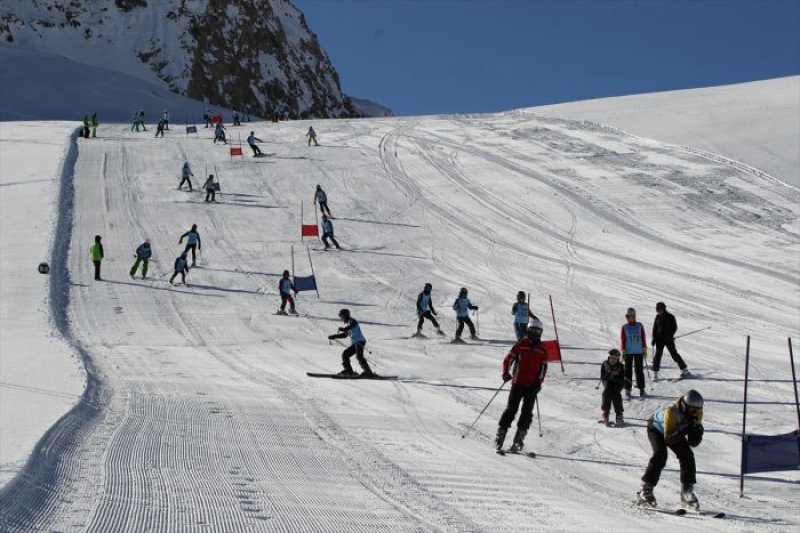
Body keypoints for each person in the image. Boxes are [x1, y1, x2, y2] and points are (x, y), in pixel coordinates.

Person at [637, 390, 705, 509]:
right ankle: (645, 489)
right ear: (684, 405)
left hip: (675, 432)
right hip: (656, 429)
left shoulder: (697, 414)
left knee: (687, 455)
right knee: (660, 455)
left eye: (698, 410)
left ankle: (686, 492)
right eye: (693, 410)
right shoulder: (671, 411)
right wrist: (685, 430)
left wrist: (697, 433)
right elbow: (668, 439)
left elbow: (692, 443)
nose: (695, 413)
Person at [495, 319, 548, 454]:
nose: (535, 334)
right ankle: (500, 435)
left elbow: (543, 368)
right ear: (528, 330)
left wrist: (539, 383)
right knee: (511, 410)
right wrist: (506, 373)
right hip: (518, 383)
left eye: (537, 331)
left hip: (532, 386)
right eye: (532, 331)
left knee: (527, 413)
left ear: (541, 333)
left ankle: (519, 439)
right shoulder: (521, 344)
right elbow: (508, 359)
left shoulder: (542, 349)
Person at [328, 309, 374, 376]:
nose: (341, 318)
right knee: (345, 354)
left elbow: (352, 325)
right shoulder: (348, 324)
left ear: (346, 315)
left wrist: (344, 329)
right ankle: (349, 371)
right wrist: (334, 336)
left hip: (360, 341)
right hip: (355, 343)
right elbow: (344, 335)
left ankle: (368, 372)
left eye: (341, 316)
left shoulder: (352, 321)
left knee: (359, 356)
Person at [652, 302, 690, 380]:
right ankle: (655, 373)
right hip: (659, 339)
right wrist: (654, 338)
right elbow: (655, 328)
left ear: (663, 309)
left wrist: (670, 336)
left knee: (674, 354)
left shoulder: (670, 317)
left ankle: (684, 369)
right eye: (657, 309)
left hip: (668, 339)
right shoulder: (657, 317)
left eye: (659, 309)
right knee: (658, 356)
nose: (658, 311)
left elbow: (674, 327)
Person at [621, 307, 648, 399]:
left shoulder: (639, 325)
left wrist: (644, 348)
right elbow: (623, 339)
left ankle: (641, 389)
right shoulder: (625, 327)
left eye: (630, 316)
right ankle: (627, 389)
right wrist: (623, 350)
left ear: (634, 316)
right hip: (628, 352)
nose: (628, 318)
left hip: (638, 351)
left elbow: (643, 337)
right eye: (627, 316)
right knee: (627, 371)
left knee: (639, 370)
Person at [600, 349, 625, 427]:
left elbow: (622, 379)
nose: (612, 360)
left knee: (616, 396)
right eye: (611, 358)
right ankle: (606, 413)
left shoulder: (620, 366)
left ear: (617, 359)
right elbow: (603, 377)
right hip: (607, 383)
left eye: (614, 359)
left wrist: (616, 376)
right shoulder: (605, 364)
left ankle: (619, 415)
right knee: (606, 394)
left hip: (617, 384)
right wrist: (608, 373)